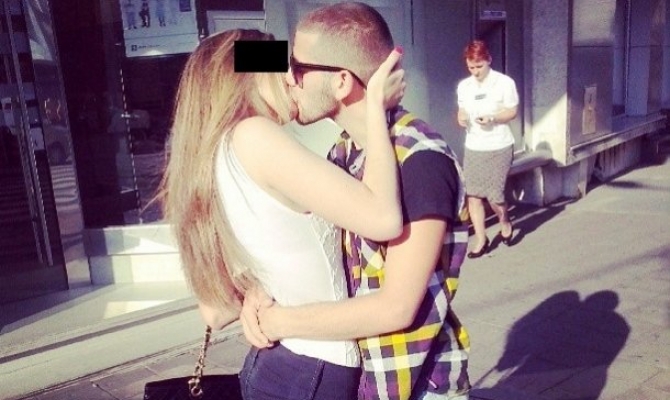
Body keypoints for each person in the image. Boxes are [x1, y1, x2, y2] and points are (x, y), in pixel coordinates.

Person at [158, 29, 405, 400]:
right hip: (314, 370)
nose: (292, 79)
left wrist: (258, 290)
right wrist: (375, 108)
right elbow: (383, 218)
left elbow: (214, 311)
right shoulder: (254, 136)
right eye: (282, 67)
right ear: (246, 78)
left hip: (281, 364)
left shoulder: (216, 153)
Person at [241, 3, 471, 399]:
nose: (288, 79)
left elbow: (396, 307)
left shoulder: (420, 160)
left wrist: (279, 322)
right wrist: (258, 295)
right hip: (364, 380)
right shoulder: (344, 151)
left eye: (298, 68)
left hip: (417, 385)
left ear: (342, 82)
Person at [456, 40, 519, 258]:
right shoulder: (464, 86)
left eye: (479, 66)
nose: (475, 72)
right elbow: (461, 110)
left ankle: (505, 221)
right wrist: (461, 117)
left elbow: (512, 112)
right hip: (474, 146)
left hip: (499, 145)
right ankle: (481, 239)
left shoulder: (504, 83)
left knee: (495, 196)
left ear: (489, 60)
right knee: (473, 196)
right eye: (471, 67)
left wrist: (492, 118)